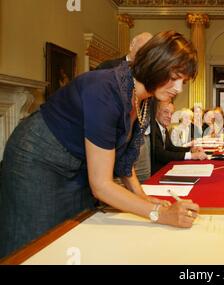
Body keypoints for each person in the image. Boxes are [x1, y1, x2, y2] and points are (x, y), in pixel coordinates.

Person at [0, 31, 199, 259]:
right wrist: (161, 214)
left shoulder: (143, 98)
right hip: (37, 158)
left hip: (76, 163)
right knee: (35, 245)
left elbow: (123, 162)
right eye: (174, 77)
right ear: (156, 63)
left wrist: (142, 197)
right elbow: (102, 185)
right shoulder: (106, 88)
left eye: (184, 81)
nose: (179, 89)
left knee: (72, 236)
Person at [96, 32, 153, 183]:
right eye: (143, 48)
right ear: (131, 46)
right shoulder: (108, 68)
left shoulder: (149, 76)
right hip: (110, 141)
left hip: (139, 139)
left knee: (144, 180)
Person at [152, 101, 207, 175]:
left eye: (171, 113)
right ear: (156, 112)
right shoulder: (153, 128)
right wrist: (191, 155)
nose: (169, 116)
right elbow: (161, 154)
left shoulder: (163, 128)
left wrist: (190, 150)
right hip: (155, 173)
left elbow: (171, 148)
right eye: (165, 112)